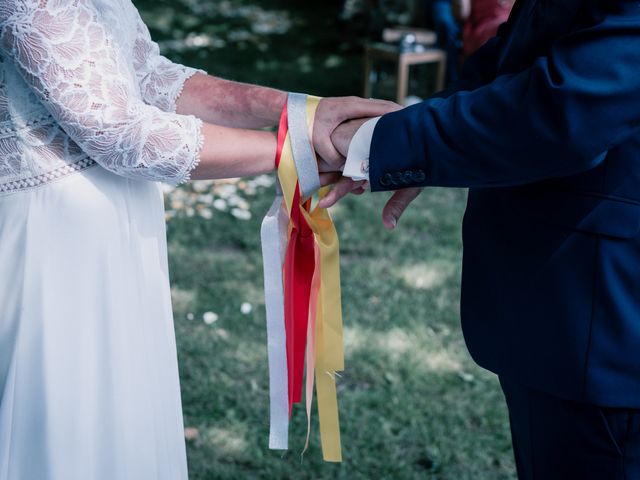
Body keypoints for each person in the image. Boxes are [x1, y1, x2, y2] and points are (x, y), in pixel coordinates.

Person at [0, 0, 395, 478]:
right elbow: (124, 134)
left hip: (116, 229)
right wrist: (299, 152)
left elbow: (151, 76)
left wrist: (301, 112)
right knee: (66, 419)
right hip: (57, 245)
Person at [324, 0, 640, 477]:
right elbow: (520, 49)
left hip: (602, 319)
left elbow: (565, 108)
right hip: (561, 304)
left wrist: (379, 141)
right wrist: (414, 133)